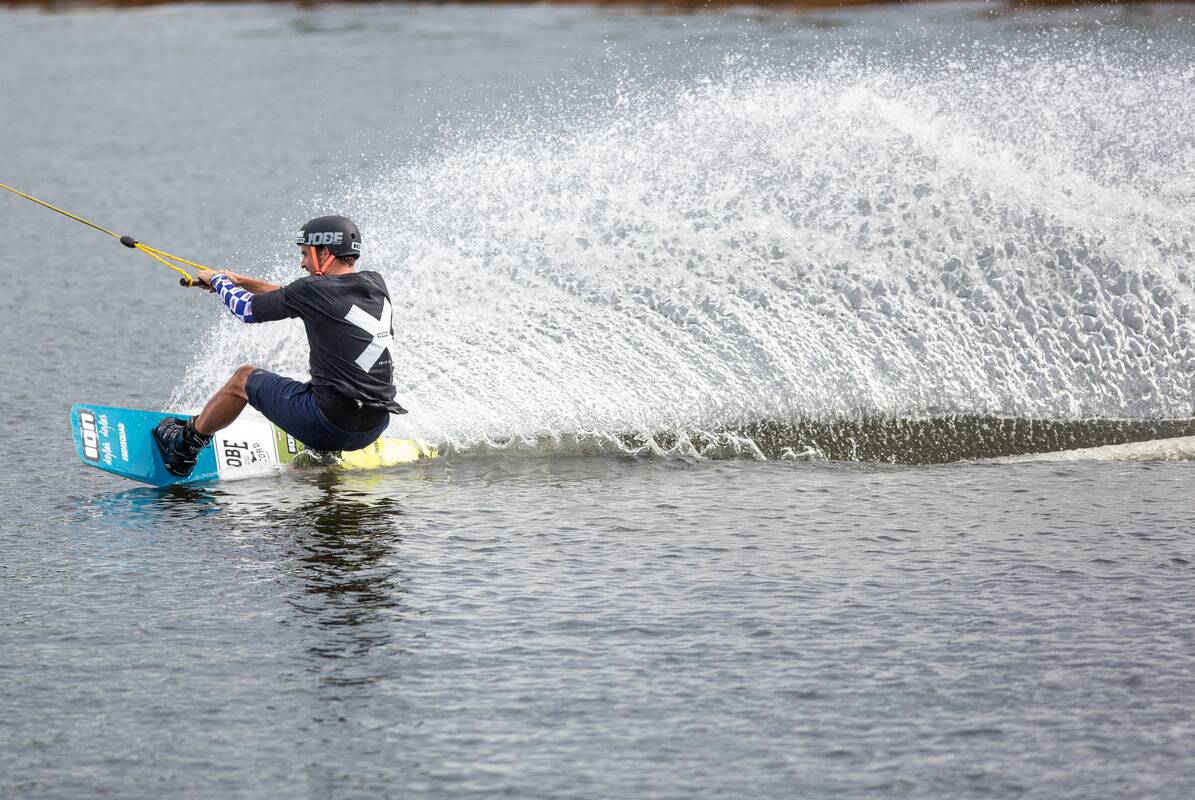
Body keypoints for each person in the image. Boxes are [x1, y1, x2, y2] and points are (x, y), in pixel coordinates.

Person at [153, 215, 406, 477]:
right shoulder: (375, 283)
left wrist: (218, 281)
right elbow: (294, 294)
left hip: (329, 424)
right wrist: (241, 281)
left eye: (305, 254)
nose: (302, 263)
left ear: (325, 252)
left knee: (243, 379)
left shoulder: (313, 291)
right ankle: (323, 457)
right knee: (325, 383)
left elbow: (246, 309)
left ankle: (184, 446)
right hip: (373, 425)